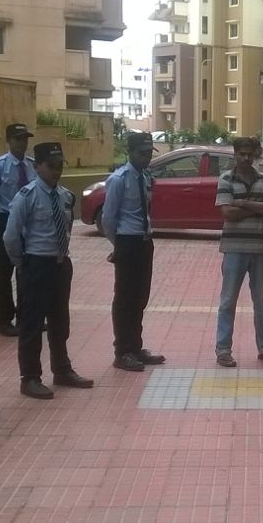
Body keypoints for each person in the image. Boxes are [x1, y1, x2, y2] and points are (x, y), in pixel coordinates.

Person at [3, 142, 94, 399]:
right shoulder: (27, 196)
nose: (57, 171)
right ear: (37, 166)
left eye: (60, 165)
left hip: (60, 265)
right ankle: (30, 377)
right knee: (32, 324)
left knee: (60, 321)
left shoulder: (64, 196)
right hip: (36, 265)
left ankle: (62, 370)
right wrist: (23, 264)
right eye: (52, 166)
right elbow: (10, 237)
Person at [214, 137, 263, 366]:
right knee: (228, 301)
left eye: (249, 154)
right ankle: (223, 349)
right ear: (235, 154)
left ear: (255, 155)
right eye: (241, 154)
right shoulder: (226, 179)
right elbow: (227, 213)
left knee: (261, 302)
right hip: (233, 249)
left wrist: (244, 204)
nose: (245, 158)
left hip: (259, 249)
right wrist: (257, 208)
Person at [102, 132, 164, 372]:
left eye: (149, 153)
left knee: (140, 297)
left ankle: (136, 347)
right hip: (127, 242)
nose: (146, 157)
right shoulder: (119, 179)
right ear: (130, 152)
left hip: (144, 242)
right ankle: (123, 351)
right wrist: (118, 245)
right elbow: (108, 218)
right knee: (124, 299)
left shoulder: (145, 177)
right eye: (142, 153)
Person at [0, 123, 36, 337]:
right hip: (6, 219)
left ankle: (26, 316)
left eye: (25, 139)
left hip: (28, 224)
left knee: (26, 271)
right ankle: (3, 319)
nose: (22, 143)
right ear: (9, 140)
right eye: (18, 139)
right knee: (4, 272)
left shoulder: (32, 165)